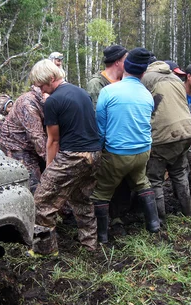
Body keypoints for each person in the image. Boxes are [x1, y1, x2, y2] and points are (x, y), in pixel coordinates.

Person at [28, 59, 102, 255]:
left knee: (41, 203)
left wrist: (48, 171)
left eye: (42, 85)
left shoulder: (53, 101)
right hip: (95, 154)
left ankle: (45, 251)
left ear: (52, 79)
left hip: (73, 156)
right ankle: (89, 245)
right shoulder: (81, 92)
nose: (41, 90)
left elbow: (53, 141)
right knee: (82, 199)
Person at [92, 47, 161, 243]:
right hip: (143, 152)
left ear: (126, 68)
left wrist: (98, 151)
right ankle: (154, 225)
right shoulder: (147, 95)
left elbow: (101, 128)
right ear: (143, 72)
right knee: (142, 182)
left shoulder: (108, 91)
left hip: (117, 154)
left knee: (102, 192)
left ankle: (102, 237)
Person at [141, 60, 191, 222]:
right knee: (179, 172)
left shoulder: (146, 78)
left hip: (162, 135)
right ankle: (187, 210)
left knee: (155, 177)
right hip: (185, 131)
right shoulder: (175, 78)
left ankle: (159, 217)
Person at [86, 44, 130, 229]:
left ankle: (119, 216)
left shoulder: (125, 81)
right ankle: (101, 221)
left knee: (123, 181)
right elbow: (96, 116)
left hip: (124, 141)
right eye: (126, 59)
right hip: (105, 142)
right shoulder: (96, 84)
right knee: (103, 182)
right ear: (118, 62)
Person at [0, 86, 47, 193]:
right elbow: (37, 136)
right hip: (17, 147)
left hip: (33, 146)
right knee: (32, 184)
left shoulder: (49, 98)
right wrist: (53, 161)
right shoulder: (28, 104)